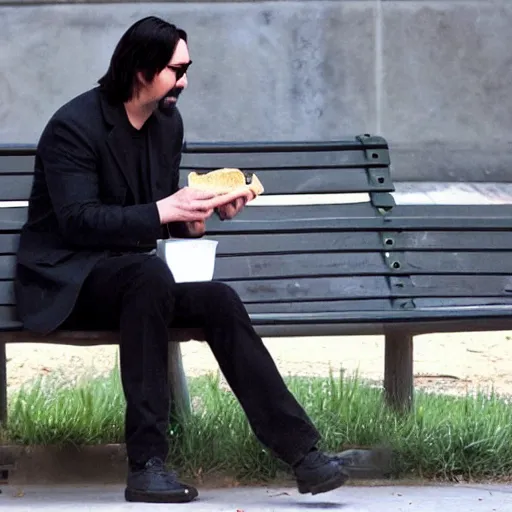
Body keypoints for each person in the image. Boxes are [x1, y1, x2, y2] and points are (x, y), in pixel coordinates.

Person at [14, 16, 349, 503]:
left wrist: (194, 216)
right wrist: (162, 211)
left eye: (187, 68)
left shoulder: (166, 123)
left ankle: (303, 455)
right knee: (147, 274)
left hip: (134, 282)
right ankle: (147, 465)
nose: (185, 81)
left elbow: (158, 213)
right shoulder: (75, 126)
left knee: (218, 300)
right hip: (66, 282)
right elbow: (76, 221)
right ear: (141, 71)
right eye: (176, 70)